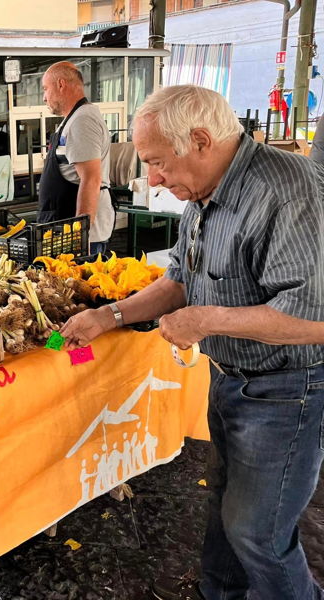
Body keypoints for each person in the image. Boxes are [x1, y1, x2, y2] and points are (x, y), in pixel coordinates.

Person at [60, 85, 324, 600]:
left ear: (201, 140)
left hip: (286, 391)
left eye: (158, 163)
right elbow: (179, 279)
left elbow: (315, 317)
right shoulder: (204, 191)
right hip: (229, 382)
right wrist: (110, 314)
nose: (154, 180)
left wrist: (206, 320)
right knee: (224, 513)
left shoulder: (286, 188)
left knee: (258, 533)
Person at [38, 61, 114, 257]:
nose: (44, 97)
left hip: (81, 238)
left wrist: (80, 235)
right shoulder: (72, 119)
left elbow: (91, 179)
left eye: (46, 89)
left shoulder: (82, 120)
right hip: (62, 226)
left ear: (61, 84)